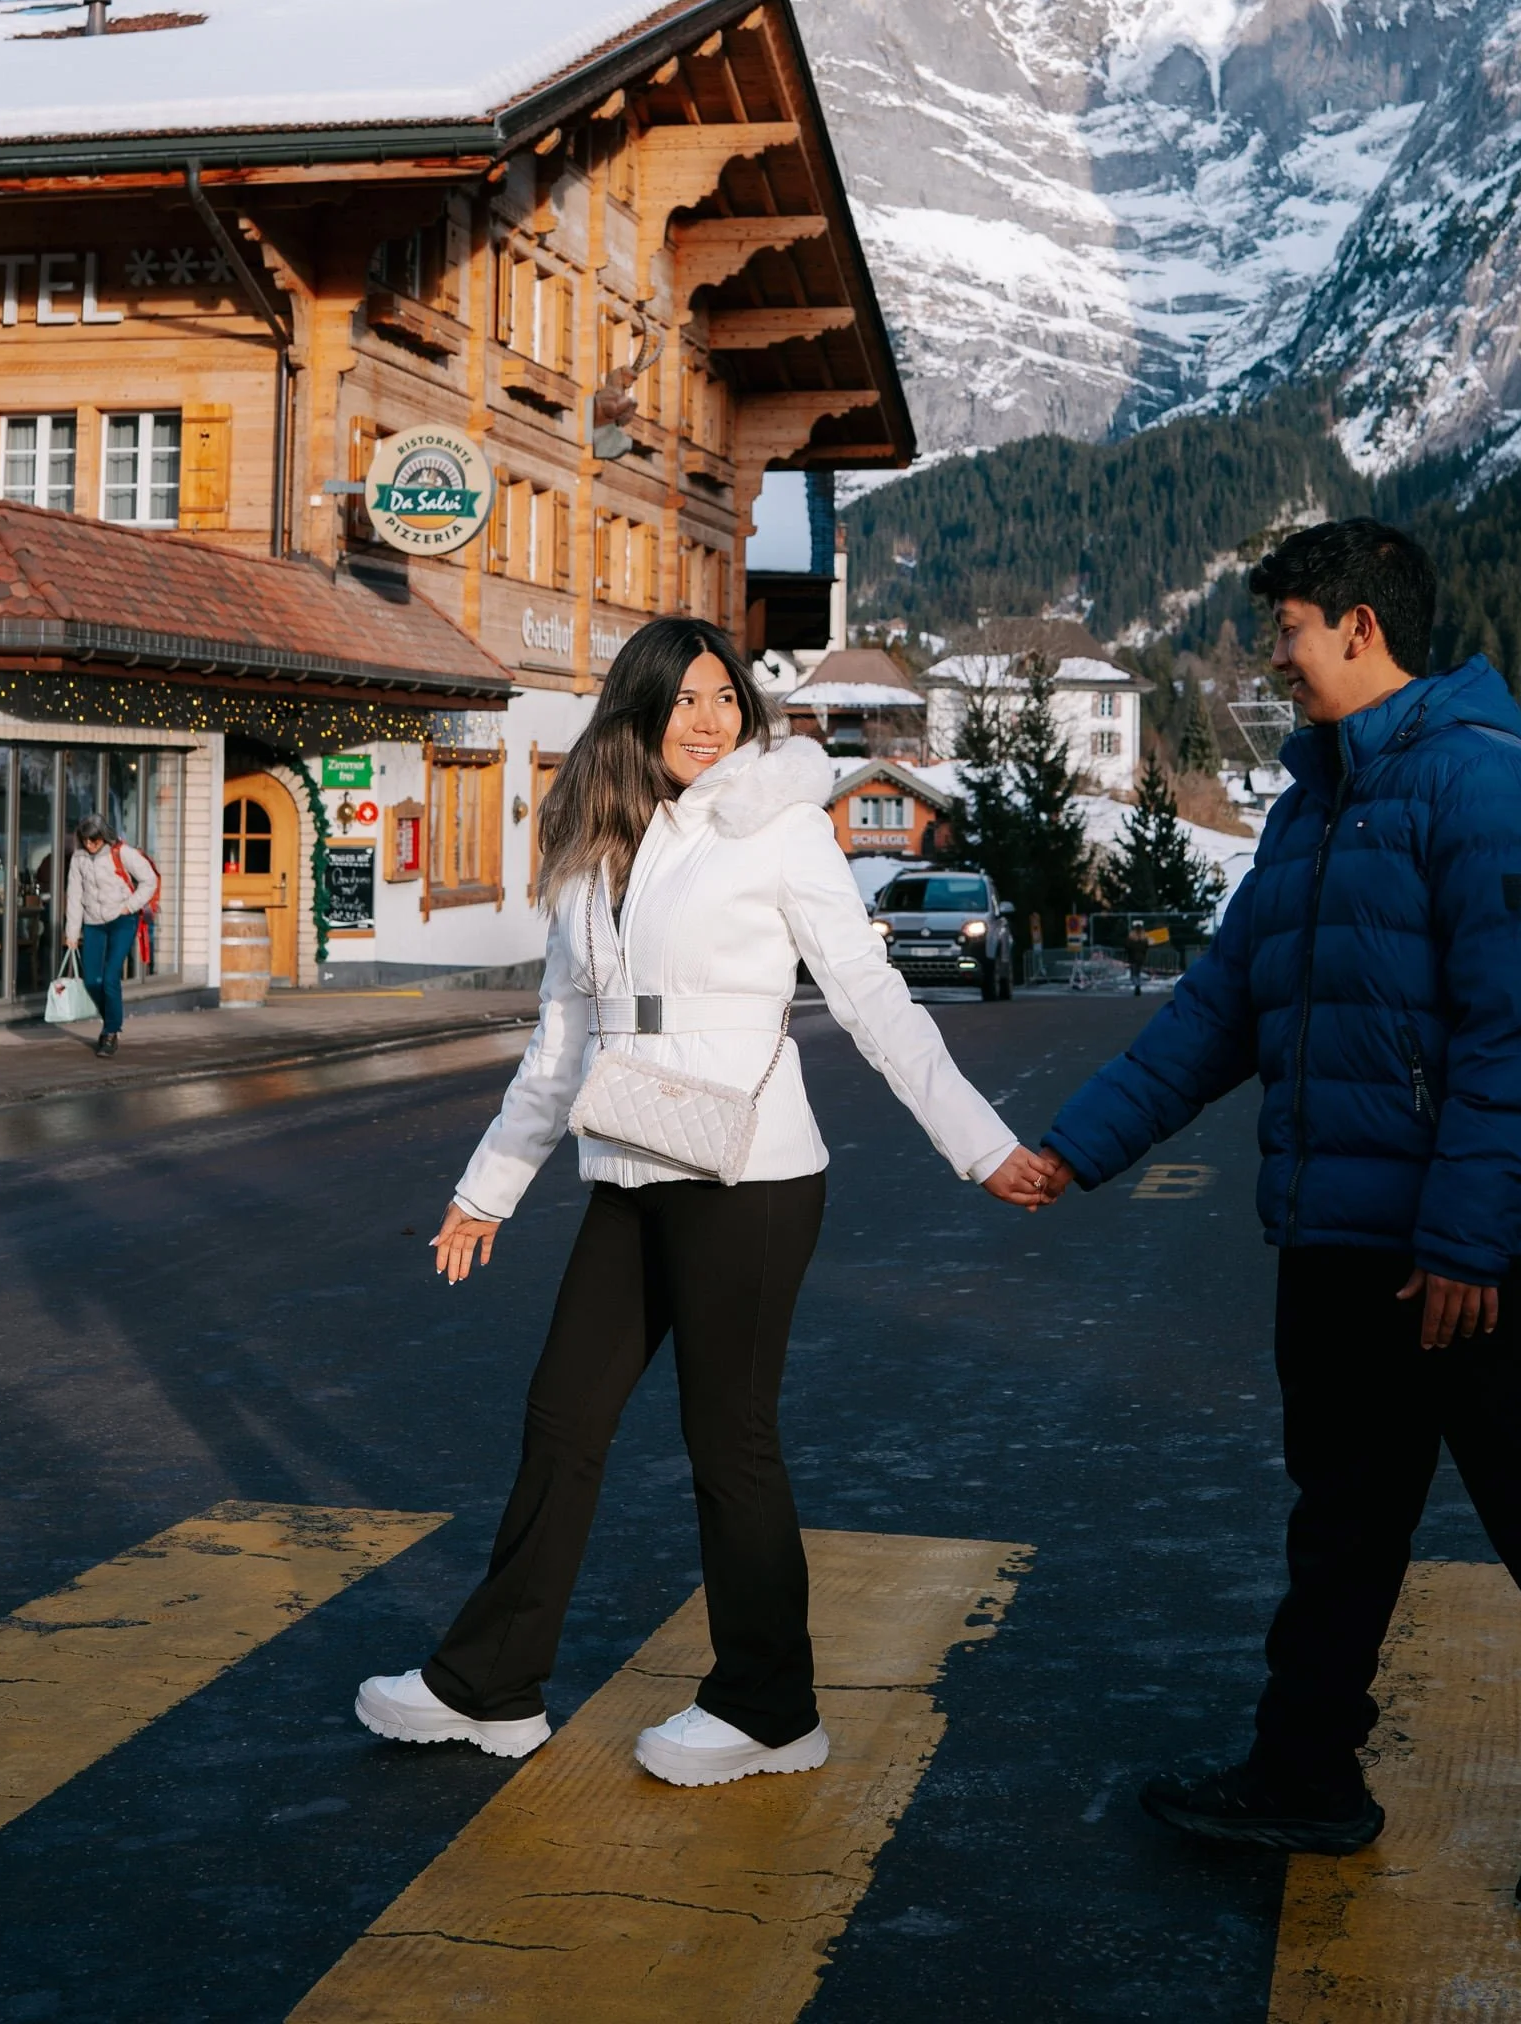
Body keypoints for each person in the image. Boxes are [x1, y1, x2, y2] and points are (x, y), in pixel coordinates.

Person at [1027, 520, 1521, 1928]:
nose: (1273, 657)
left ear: (1359, 627)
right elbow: (1216, 1014)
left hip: (1467, 1260)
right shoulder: (1314, 808)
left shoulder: (1486, 786)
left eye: (1287, 628)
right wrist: (1071, 1153)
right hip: (1340, 1246)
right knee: (1342, 1528)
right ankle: (1303, 1774)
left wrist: (1470, 1242)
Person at [354, 617, 1048, 1786]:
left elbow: (870, 995)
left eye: (724, 696)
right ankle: (491, 1686)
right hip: (630, 1163)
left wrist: (978, 1145)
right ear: (636, 712)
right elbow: (560, 1045)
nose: (709, 719)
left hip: (752, 1177)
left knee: (727, 1441)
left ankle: (769, 1709)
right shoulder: (591, 846)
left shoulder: (775, 827)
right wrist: (486, 1191)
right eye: (682, 700)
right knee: (563, 1419)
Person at [63, 814, 158, 1057]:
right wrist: (72, 932)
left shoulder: (122, 852)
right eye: (85, 841)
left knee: (110, 978)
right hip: (93, 922)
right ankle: (112, 1021)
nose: (90, 846)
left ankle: (110, 1033)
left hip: (122, 921)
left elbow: (149, 880)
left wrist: (130, 906)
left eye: (94, 841)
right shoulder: (79, 858)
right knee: (92, 980)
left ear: (104, 836)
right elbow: (74, 895)